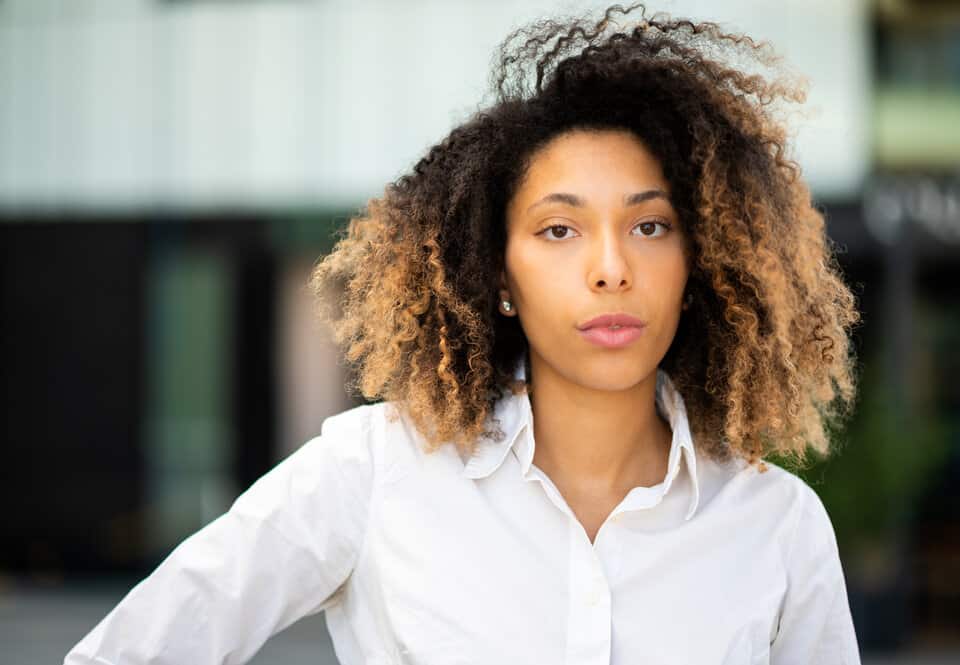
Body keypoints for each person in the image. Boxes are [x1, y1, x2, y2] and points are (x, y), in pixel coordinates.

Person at [66, 3, 863, 664]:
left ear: (700, 264)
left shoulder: (775, 525)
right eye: (559, 230)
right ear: (499, 278)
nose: (611, 267)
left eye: (650, 225)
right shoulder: (374, 472)